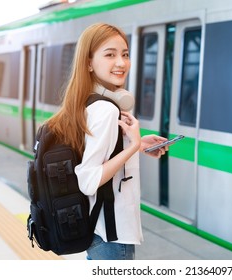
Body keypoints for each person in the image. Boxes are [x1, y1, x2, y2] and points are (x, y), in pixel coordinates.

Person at [45, 22, 168, 260]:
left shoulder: (88, 103)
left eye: (125, 54)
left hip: (97, 230)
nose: (121, 63)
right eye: (110, 55)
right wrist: (132, 146)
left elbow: (94, 150)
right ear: (89, 62)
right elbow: (89, 180)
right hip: (111, 234)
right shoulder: (106, 110)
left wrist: (138, 143)